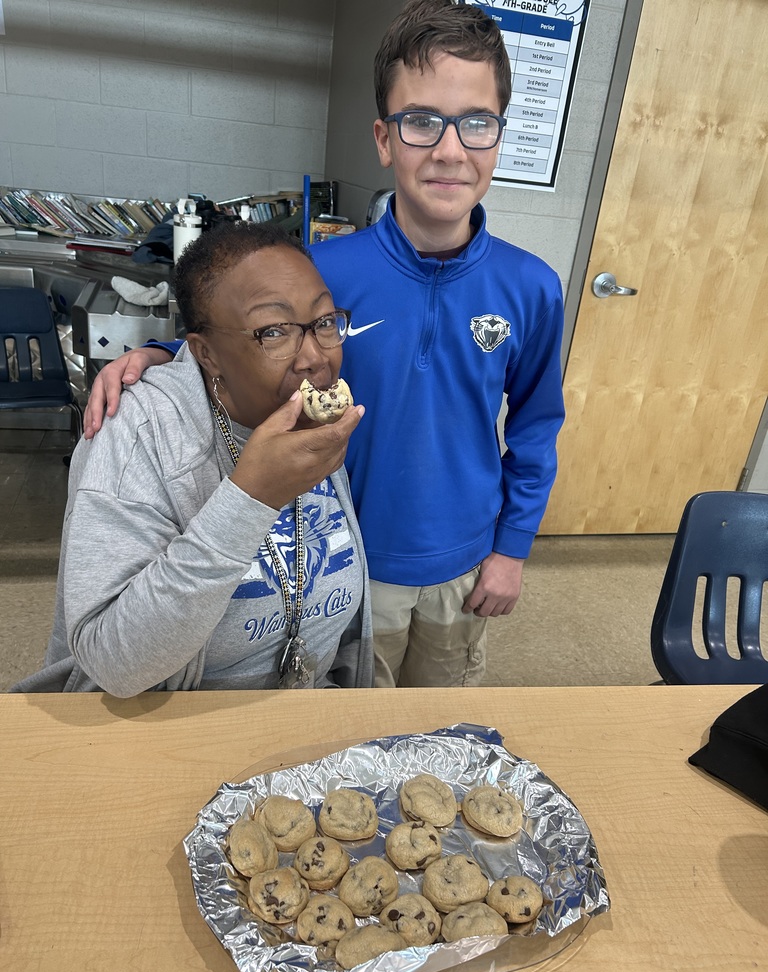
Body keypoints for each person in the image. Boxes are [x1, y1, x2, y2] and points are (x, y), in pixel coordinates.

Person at [82, 0, 565, 689]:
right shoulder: (322, 273)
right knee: (343, 735)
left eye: (476, 123)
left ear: (499, 135)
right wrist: (163, 355)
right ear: (383, 138)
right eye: (421, 121)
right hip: (340, 564)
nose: (450, 149)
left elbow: (539, 426)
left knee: (435, 729)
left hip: (464, 561)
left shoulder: (532, 286)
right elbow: (244, 337)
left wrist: (512, 549)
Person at [13, 221, 374, 695]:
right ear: (205, 354)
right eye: (274, 331)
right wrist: (251, 498)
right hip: (167, 732)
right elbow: (113, 663)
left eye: (324, 322)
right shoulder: (136, 430)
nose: (314, 357)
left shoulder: (316, 416)